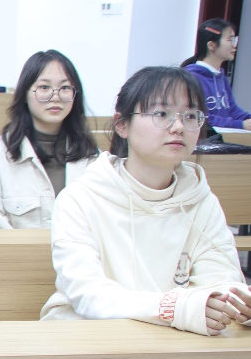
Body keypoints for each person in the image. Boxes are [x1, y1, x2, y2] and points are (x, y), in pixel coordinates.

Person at [42, 65, 251, 333]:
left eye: (190, 116)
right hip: (88, 336)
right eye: (161, 114)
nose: (179, 127)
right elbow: (89, 295)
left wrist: (238, 306)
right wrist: (177, 308)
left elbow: (221, 280)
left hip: (171, 340)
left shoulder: (201, 199)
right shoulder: (80, 199)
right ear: (122, 124)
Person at [0, 49, 100, 229]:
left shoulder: (93, 159)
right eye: (44, 88)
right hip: (15, 249)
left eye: (65, 88)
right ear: (24, 94)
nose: (56, 96)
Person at [181, 18, 251, 131]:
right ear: (212, 45)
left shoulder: (220, 77)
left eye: (235, 40)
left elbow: (232, 110)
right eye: (230, 40)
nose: (234, 45)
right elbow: (198, 116)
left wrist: (247, 120)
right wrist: (239, 124)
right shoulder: (191, 77)